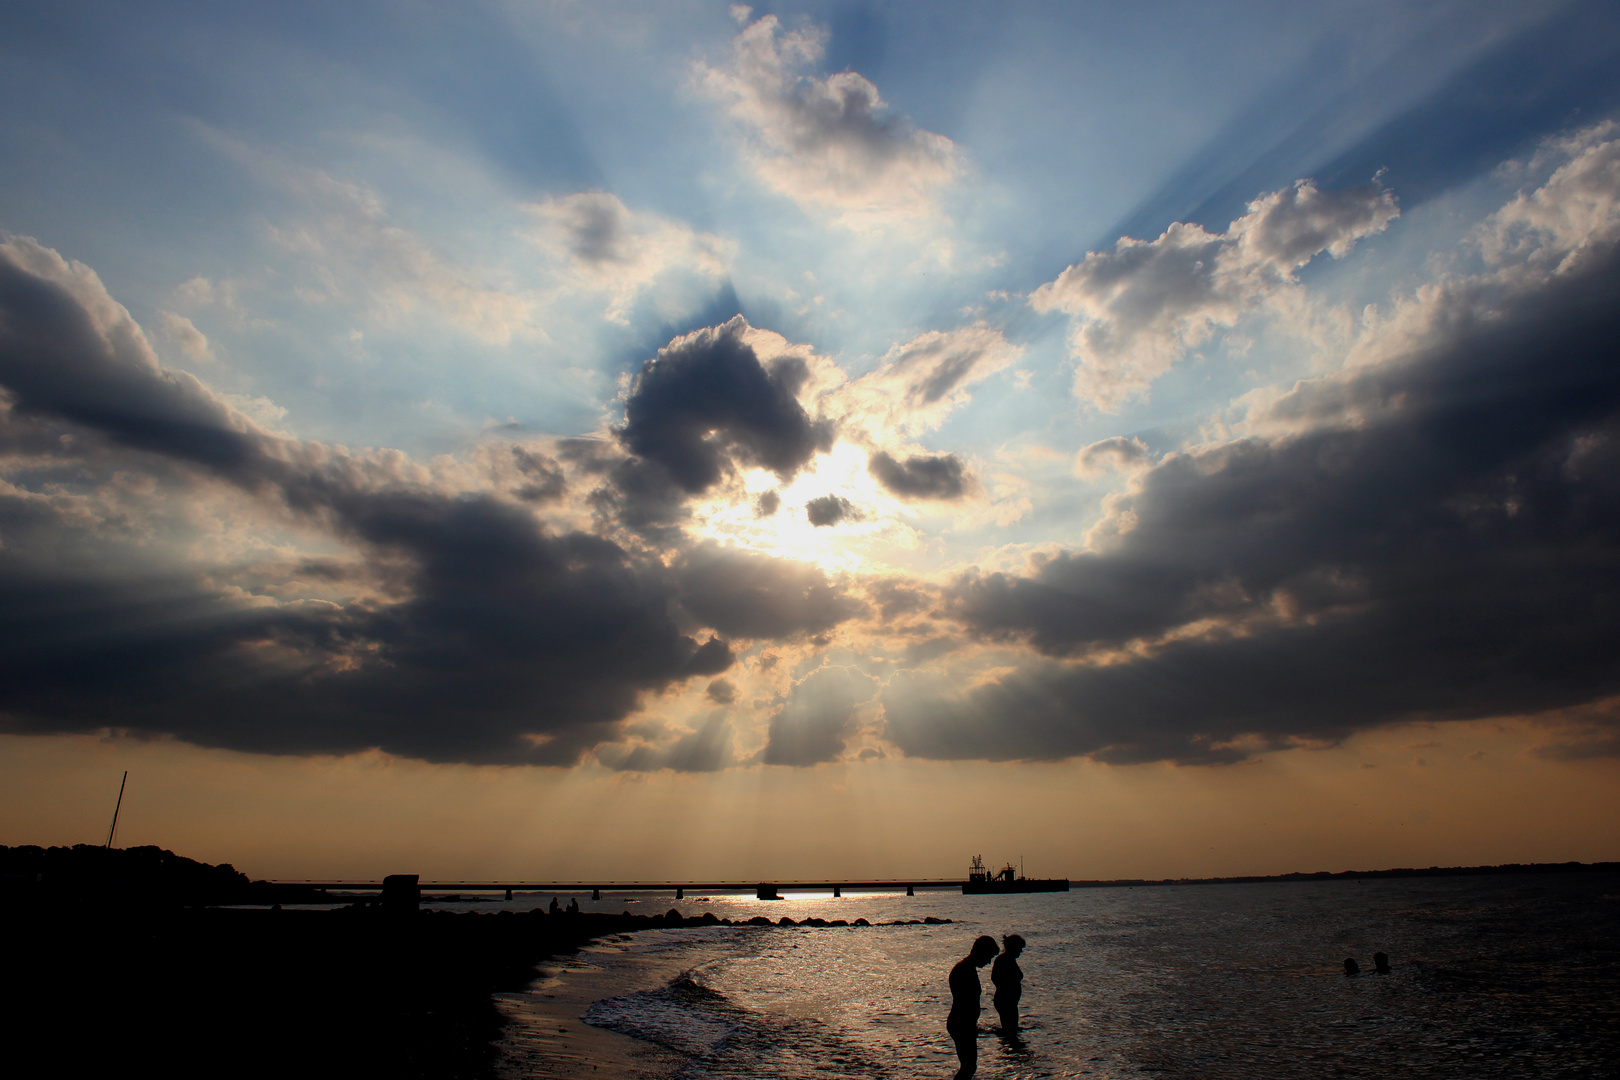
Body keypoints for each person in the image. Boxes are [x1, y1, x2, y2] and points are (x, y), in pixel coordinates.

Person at [947, 935, 999, 1078]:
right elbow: (965, 1002)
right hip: (961, 1023)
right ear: (982, 952)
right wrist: (970, 1025)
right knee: (968, 1067)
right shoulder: (964, 970)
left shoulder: (966, 968)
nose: (989, 962)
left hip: (964, 1023)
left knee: (969, 1066)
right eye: (989, 957)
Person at [991, 934, 1025, 1034]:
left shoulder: (1010, 959)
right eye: (1020, 948)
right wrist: (1006, 989)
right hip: (1006, 1001)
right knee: (1010, 1031)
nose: (1021, 951)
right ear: (1014, 947)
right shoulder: (1004, 960)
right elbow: (995, 978)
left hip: (1010, 1001)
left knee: (1011, 1029)